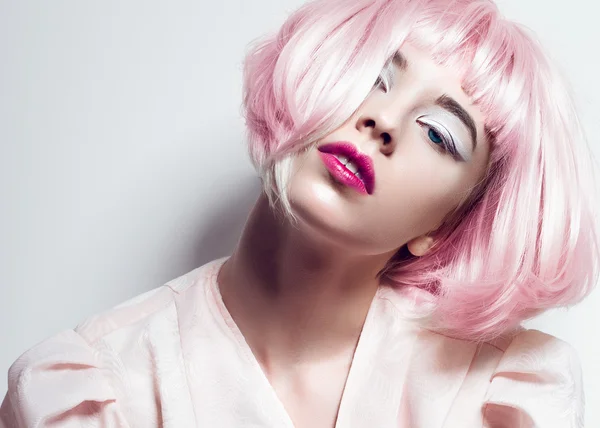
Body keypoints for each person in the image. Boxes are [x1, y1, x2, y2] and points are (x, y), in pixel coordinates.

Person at [2, 0, 598, 426]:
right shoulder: (90, 391)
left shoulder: (506, 400)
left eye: (439, 134)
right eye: (374, 78)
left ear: (444, 226)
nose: (383, 123)